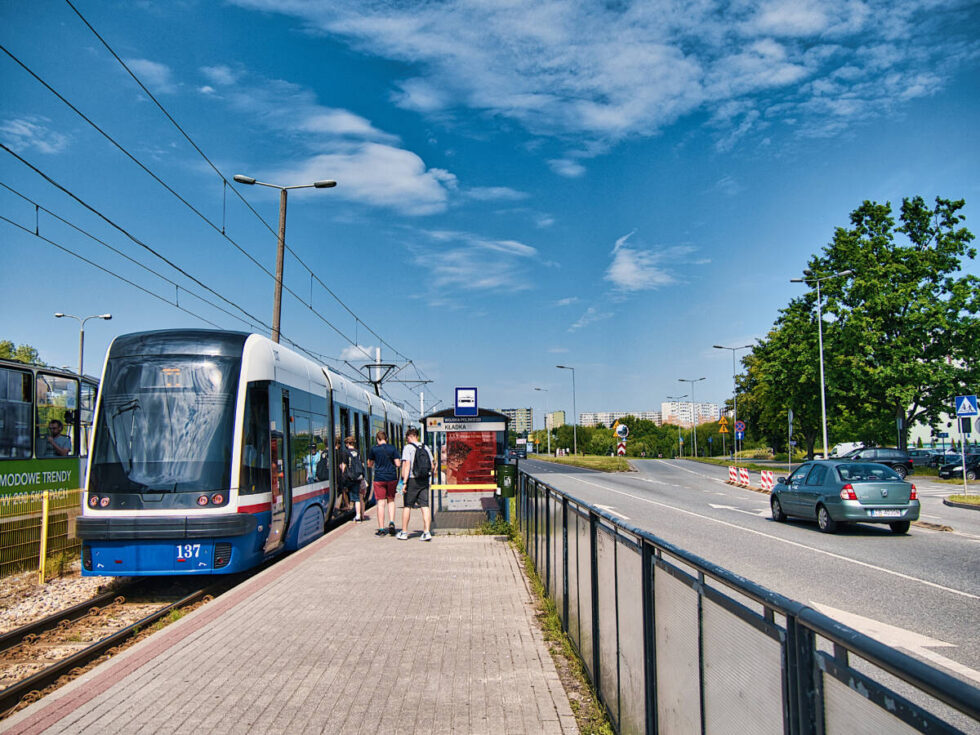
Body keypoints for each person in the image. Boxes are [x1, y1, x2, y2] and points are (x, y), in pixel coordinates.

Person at [397, 427, 434, 541]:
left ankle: (404, 532)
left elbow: (407, 465)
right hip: (423, 480)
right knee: (425, 505)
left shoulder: (408, 448)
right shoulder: (425, 447)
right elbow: (432, 466)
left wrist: (404, 482)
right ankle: (427, 532)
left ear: (409, 437)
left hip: (412, 480)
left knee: (407, 506)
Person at [368, 430, 401, 537]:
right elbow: (398, 463)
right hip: (391, 477)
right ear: (386, 439)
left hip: (379, 479)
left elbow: (370, 464)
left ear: (377, 439)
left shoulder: (374, 449)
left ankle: (381, 529)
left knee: (381, 503)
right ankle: (391, 522)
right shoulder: (392, 448)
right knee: (391, 500)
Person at [339, 436, 367, 521]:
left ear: (347, 443)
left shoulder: (345, 452)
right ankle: (358, 515)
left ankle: (348, 505)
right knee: (357, 497)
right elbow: (362, 464)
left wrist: (342, 474)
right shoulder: (357, 452)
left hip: (349, 477)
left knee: (343, 489)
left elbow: (344, 465)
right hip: (357, 477)